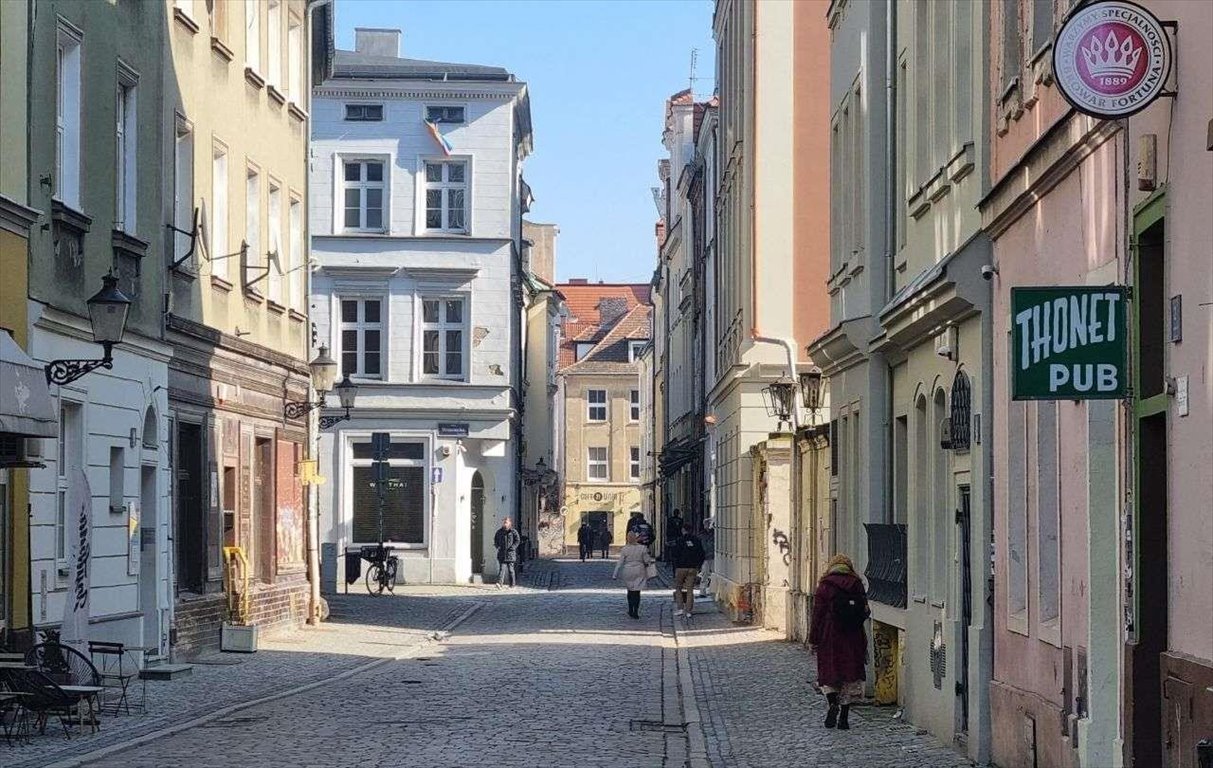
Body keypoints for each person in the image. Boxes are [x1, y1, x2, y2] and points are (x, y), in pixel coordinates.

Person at [808, 553, 870, 730]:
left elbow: (817, 615)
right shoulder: (856, 583)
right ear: (849, 567)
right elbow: (865, 610)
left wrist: (813, 639)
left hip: (830, 635)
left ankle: (832, 703)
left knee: (829, 673)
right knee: (849, 674)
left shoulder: (825, 585)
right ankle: (844, 717)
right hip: (853, 635)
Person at [612, 531, 654, 619]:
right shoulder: (642, 548)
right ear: (636, 538)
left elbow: (620, 562)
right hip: (639, 569)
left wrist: (615, 574)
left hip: (628, 570)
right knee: (637, 591)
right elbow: (647, 561)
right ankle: (636, 611)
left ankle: (630, 609)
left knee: (630, 590)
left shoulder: (625, 549)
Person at [670, 523, 706, 617]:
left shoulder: (679, 540)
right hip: (692, 568)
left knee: (678, 588)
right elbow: (701, 554)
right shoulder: (697, 540)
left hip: (681, 567)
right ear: (691, 530)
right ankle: (689, 611)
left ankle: (680, 608)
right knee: (690, 589)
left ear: (683, 530)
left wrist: (676, 565)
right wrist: (698, 565)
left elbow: (674, 554)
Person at [493, 518, 521, 589]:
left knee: (511, 570)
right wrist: (497, 546)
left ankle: (512, 584)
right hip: (502, 553)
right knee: (501, 569)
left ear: (509, 523)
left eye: (506, 522)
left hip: (510, 554)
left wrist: (513, 547)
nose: (505, 524)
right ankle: (499, 584)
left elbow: (517, 540)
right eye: (504, 522)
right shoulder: (499, 532)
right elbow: (495, 540)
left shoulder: (513, 532)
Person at [698, 520, 715, 598]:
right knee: (704, 574)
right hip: (705, 557)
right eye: (706, 524)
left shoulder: (715, 534)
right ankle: (702, 591)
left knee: (714, 574)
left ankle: (713, 590)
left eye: (708, 524)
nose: (707, 526)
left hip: (714, 557)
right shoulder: (701, 535)